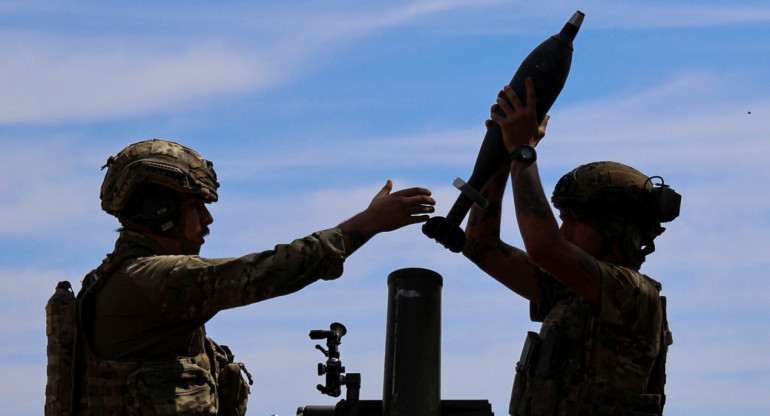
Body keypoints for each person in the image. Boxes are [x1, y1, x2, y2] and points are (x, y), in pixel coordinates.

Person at [67, 138, 436, 415]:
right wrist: (366, 225)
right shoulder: (152, 281)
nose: (207, 220)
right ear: (157, 210)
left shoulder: (125, 278)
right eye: (195, 206)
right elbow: (264, 272)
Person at [462, 79, 680, 415]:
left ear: (614, 228)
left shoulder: (634, 296)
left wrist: (522, 151)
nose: (564, 231)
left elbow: (544, 247)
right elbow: (481, 245)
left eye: (575, 220)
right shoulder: (568, 292)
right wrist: (502, 154)